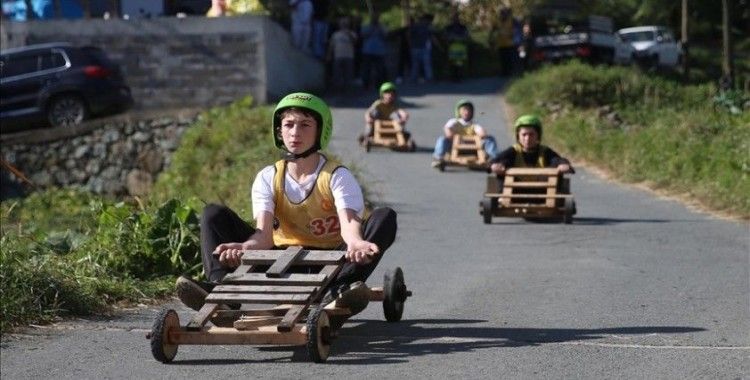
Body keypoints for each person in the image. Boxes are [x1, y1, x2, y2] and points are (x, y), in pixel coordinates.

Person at [176, 93, 398, 315]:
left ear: (320, 131)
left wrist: (356, 243)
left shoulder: (336, 176)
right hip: (278, 262)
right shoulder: (268, 176)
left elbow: (349, 222)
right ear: (279, 131)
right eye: (289, 125)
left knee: (385, 217)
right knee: (213, 214)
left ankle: (339, 290)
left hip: (332, 264)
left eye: (305, 125)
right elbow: (263, 236)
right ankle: (221, 291)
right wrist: (243, 248)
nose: (295, 132)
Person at [489, 114, 574, 193]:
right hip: (516, 192)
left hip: (542, 192)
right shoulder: (513, 151)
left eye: (531, 134)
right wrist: (494, 166)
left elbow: (557, 160)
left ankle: (554, 199)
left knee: (555, 170)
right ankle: (502, 198)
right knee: (503, 165)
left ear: (538, 135)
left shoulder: (545, 151)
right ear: (518, 136)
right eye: (524, 135)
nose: (527, 139)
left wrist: (563, 165)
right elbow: (494, 161)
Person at [432, 99, 498, 168]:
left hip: (472, 148)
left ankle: (495, 159)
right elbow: (447, 129)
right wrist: (450, 133)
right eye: (464, 110)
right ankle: (438, 158)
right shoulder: (454, 122)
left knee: (490, 139)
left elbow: (481, 132)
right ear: (459, 111)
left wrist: (482, 134)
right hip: (454, 147)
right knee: (442, 139)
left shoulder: (474, 125)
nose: (466, 112)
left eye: (469, 110)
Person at [327, 16, 357, 91]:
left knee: (348, 74)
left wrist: (348, 33)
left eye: (345, 22)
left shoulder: (352, 33)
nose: (344, 24)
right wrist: (329, 55)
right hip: (338, 56)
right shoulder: (335, 34)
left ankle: (348, 90)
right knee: (337, 74)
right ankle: (337, 89)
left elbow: (355, 42)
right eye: (342, 22)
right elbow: (331, 45)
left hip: (349, 56)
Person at [359, 12, 388, 89]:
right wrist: (372, 27)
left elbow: (386, 35)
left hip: (379, 51)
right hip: (368, 51)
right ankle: (366, 84)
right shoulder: (366, 26)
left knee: (379, 70)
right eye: (374, 18)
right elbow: (363, 35)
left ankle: (378, 84)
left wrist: (379, 27)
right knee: (366, 69)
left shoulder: (382, 27)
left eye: (376, 18)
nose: (375, 20)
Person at [489, 6, 515, 77]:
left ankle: (510, 72)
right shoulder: (497, 22)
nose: (502, 14)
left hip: (509, 44)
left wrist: (512, 35)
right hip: (500, 44)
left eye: (504, 13)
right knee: (503, 59)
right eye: (501, 13)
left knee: (509, 59)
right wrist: (490, 39)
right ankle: (504, 72)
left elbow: (514, 31)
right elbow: (492, 30)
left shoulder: (510, 21)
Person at [443, 11, 470, 82]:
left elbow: (467, 36)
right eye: (454, 18)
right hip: (452, 48)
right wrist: (450, 39)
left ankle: (459, 77)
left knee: (459, 64)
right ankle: (453, 77)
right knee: (452, 64)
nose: (455, 19)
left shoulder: (463, 27)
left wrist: (456, 38)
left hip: (461, 48)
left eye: (456, 18)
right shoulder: (449, 27)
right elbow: (445, 37)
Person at [409, 14, 435, 83]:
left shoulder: (417, 26)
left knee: (418, 64)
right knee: (423, 64)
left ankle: (416, 78)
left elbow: (410, 36)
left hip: (418, 47)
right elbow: (432, 36)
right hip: (420, 47)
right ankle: (426, 78)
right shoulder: (426, 27)